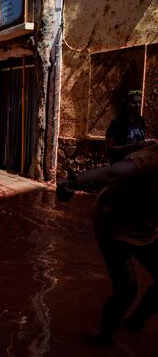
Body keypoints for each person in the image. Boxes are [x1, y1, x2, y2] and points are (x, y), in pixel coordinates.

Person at [56, 141, 158, 345]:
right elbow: (114, 173)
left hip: (146, 227)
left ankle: (135, 322)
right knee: (127, 289)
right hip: (113, 221)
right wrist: (74, 181)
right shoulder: (153, 156)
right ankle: (104, 338)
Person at [105, 90, 145, 164]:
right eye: (133, 102)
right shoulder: (117, 123)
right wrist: (133, 146)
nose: (137, 105)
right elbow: (110, 148)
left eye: (139, 102)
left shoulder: (140, 121)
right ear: (126, 104)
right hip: (121, 164)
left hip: (137, 164)